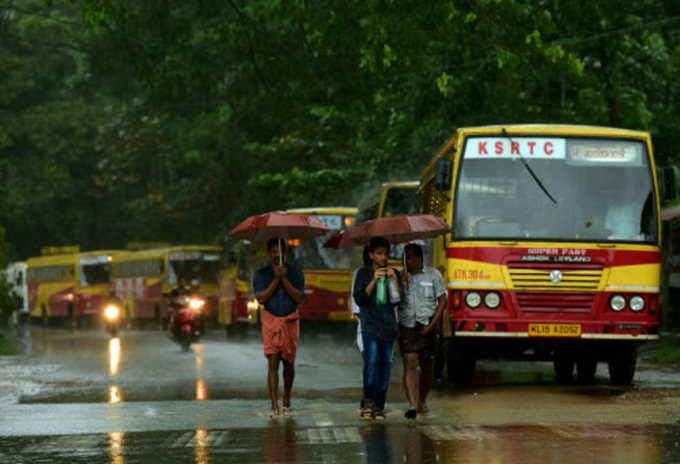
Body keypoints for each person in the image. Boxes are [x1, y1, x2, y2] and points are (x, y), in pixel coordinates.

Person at [253, 237, 305, 417]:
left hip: (290, 320)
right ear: (269, 253)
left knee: (289, 363)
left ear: (286, 253)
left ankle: (286, 400)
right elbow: (261, 298)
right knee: (273, 361)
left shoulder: (296, 272)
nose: (277, 255)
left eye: (280, 251)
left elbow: (299, 298)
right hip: (271, 319)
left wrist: (285, 279)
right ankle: (274, 404)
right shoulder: (261, 274)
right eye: (274, 251)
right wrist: (276, 279)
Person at [353, 236, 400, 420]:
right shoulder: (363, 274)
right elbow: (360, 299)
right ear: (371, 255)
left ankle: (380, 405)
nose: (383, 258)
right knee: (371, 363)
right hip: (370, 325)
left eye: (386, 254)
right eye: (379, 254)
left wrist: (394, 280)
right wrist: (373, 280)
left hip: (388, 326)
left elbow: (398, 300)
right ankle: (368, 402)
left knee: (385, 366)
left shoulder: (393, 272)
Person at [398, 243, 446, 420]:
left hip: (428, 324)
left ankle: (422, 401)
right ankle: (411, 404)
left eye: (410, 257)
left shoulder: (434, 275)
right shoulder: (400, 276)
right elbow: (394, 301)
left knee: (428, 366)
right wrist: (401, 286)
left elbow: (442, 301)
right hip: (408, 325)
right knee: (410, 361)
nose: (407, 262)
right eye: (405, 258)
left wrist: (432, 324)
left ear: (419, 258)